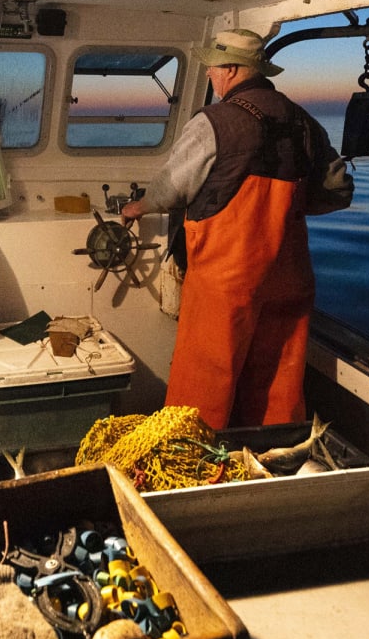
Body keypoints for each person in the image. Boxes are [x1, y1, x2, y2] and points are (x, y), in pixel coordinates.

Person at [121, 28, 352, 429]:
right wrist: (286, 211)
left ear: (230, 69)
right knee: (278, 378)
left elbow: (171, 190)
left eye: (212, 68)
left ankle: (191, 464)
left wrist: (139, 207)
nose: (210, 75)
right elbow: (337, 191)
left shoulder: (216, 122)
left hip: (227, 279)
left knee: (204, 380)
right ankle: (274, 455)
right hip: (289, 276)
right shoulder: (303, 122)